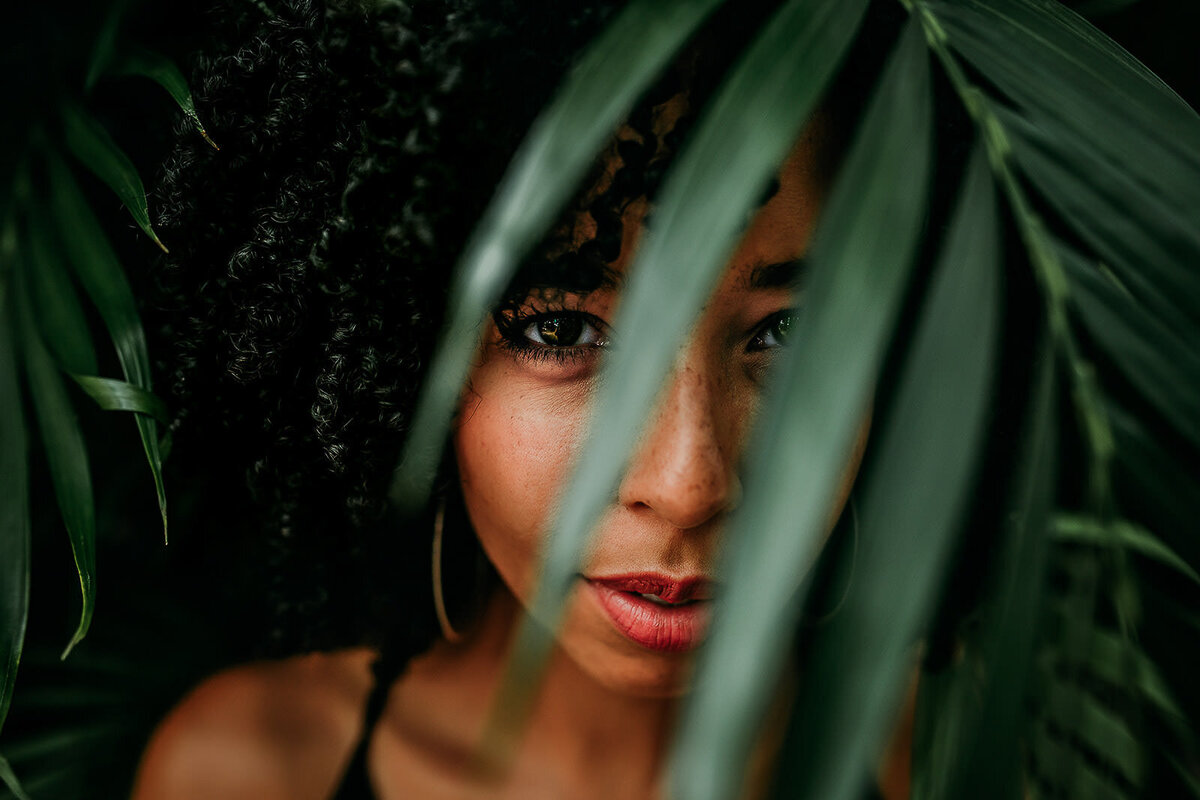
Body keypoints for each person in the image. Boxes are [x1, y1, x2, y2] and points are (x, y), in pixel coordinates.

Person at [131, 0, 911, 797]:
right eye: (563, 330)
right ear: (410, 348)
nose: (688, 487)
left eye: (787, 332)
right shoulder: (254, 774)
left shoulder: (968, 754)